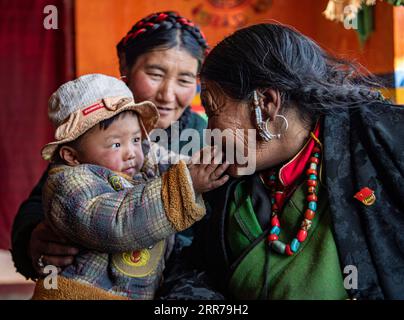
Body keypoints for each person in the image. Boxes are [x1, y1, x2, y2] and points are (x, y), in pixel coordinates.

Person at [161, 23, 404, 300]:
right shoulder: (226, 179)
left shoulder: (382, 140)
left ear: (265, 103)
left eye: (212, 109)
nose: (208, 132)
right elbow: (195, 268)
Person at [11, 11, 209, 281]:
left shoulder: (207, 139)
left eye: (185, 80)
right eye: (155, 73)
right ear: (125, 65)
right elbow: (43, 197)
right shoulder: (92, 130)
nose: (167, 94)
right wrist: (32, 237)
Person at [30, 73, 228, 299]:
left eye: (135, 139)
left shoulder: (139, 158)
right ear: (71, 155)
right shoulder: (68, 185)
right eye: (116, 144)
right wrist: (187, 184)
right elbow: (117, 221)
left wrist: (207, 164)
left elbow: (174, 164)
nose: (131, 153)